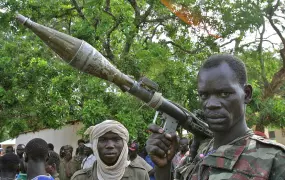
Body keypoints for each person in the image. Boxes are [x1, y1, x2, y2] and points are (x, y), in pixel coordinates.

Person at [146, 54, 285, 180]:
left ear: (247, 94)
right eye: (204, 95)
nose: (211, 104)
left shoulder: (275, 160)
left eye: (224, 94)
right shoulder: (198, 155)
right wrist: (163, 167)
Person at [71, 120, 150, 180]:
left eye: (116, 139)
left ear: (124, 145)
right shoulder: (80, 178)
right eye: (103, 140)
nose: (110, 146)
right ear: (95, 146)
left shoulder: (140, 175)